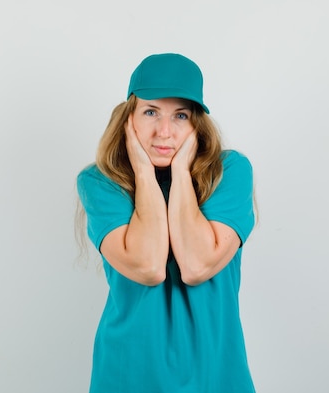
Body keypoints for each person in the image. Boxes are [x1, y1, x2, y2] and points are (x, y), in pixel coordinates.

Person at [76, 53, 257, 393]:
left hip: (216, 374)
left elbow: (196, 265)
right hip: (128, 374)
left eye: (180, 116)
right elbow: (148, 267)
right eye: (150, 112)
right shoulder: (101, 182)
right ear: (128, 118)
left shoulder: (229, 172)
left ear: (196, 124)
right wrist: (144, 171)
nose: (164, 131)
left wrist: (179, 173)